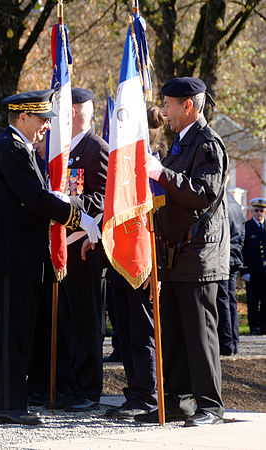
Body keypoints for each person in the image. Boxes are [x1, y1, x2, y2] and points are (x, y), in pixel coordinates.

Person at [0, 89, 101, 426]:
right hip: (14, 257)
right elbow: (34, 198)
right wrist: (78, 216)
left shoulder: (13, 147)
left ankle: (1, 397)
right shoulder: (13, 149)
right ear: (22, 118)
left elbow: (36, 197)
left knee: (14, 332)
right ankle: (9, 406)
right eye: (42, 119)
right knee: (13, 334)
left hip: (14, 257)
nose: (47, 126)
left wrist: (61, 204)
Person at [136, 77, 229, 427]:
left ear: (188, 106)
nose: (164, 111)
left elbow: (204, 193)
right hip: (175, 251)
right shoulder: (181, 143)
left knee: (199, 332)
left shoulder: (208, 144)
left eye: (169, 104)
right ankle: (178, 400)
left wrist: (161, 173)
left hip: (199, 253)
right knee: (173, 330)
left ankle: (210, 406)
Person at [104, 105, 166, 419]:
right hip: (122, 258)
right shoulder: (125, 164)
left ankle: (148, 395)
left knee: (142, 334)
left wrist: (157, 271)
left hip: (144, 260)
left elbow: (161, 223)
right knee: (127, 333)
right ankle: (135, 392)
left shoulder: (155, 167)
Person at [58, 88, 108, 412]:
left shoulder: (96, 149)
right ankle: (69, 385)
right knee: (68, 325)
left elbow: (103, 200)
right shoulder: (62, 151)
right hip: (63, 253)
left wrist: (65, 204)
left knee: (88, 326)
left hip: (86, 252)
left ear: (74, 112)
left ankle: (88, 391)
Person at [216, 189, 244, 354]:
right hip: (234, 255)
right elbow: (242, 233)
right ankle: (234, 339)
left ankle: (226, 343)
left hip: (223, 255)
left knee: (222, 299)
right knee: (230, 299)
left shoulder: (220, 200)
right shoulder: (235, 203)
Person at [241, 197, 266, 335]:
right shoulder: (246, 227)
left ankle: (264, 326)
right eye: (256, 210)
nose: (259, 213)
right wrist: (244, 270)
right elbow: (243, 250)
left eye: (262, 210)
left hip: (265, 272)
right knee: (253, 301)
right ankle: (254, 327)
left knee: (265, 301)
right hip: (252, 272)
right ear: (252, 211)